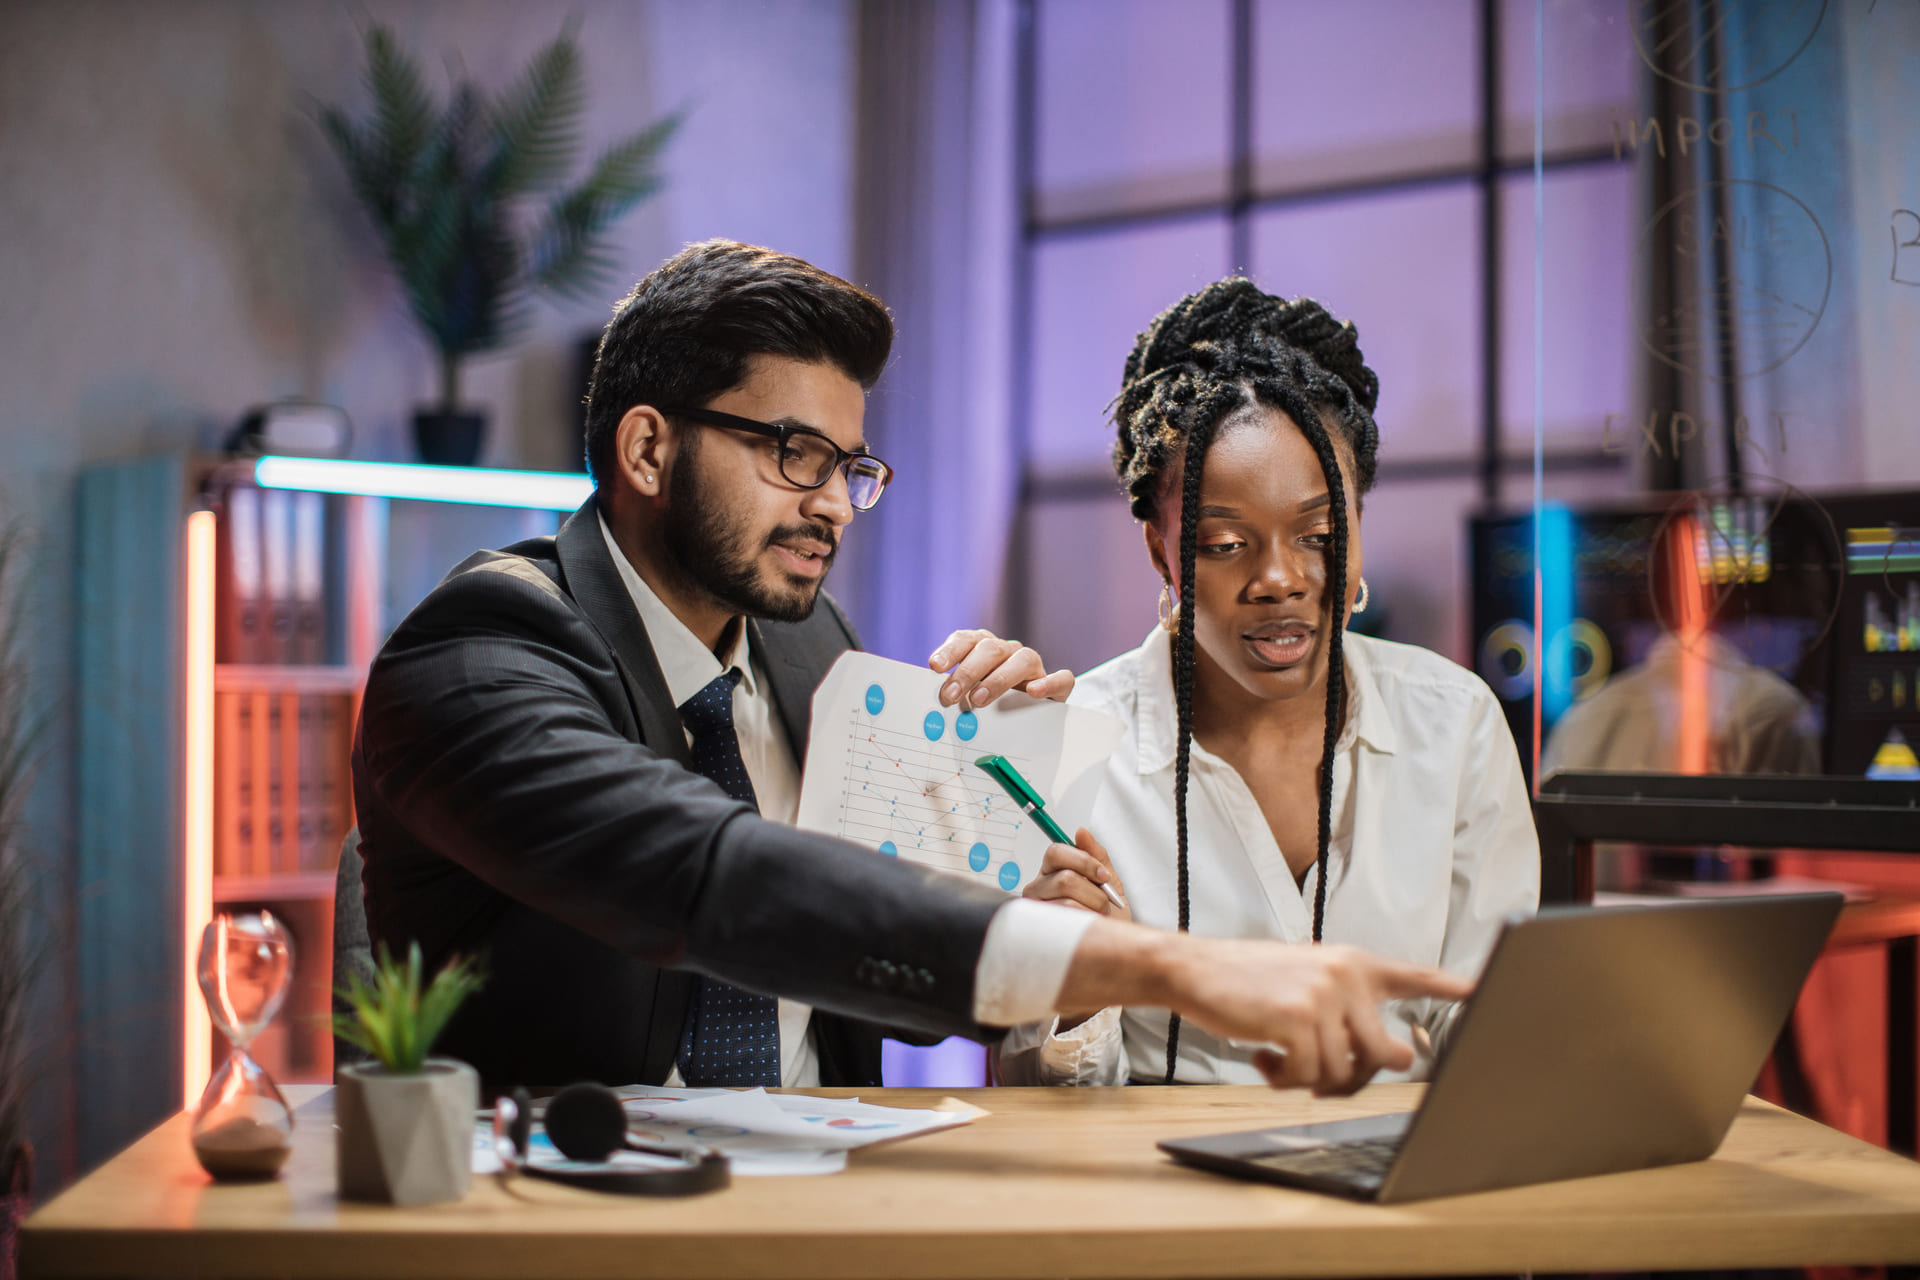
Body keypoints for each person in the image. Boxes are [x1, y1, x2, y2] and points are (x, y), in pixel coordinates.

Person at [353, 242, 1471, 1095]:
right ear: (648, 448)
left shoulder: (809, 648)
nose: (834, 503)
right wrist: (1168, 966)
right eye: (793, 453)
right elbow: (708, 871)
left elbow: (875, 957)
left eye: (852, 465)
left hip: (838, 1203)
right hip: (572, 1220)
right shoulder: (477, 653)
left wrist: (1003, 834)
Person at [997, 279, 1538, 1087]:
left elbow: (1496, 1026)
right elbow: (1034, 1097)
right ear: (1161, 552)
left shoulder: (1453, 723)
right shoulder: (1070, 746)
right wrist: (1075, 993)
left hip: (1401, 1187)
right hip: (1158, 1197)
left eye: (1320, 534)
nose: (1279, 579)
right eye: (1223, 544)